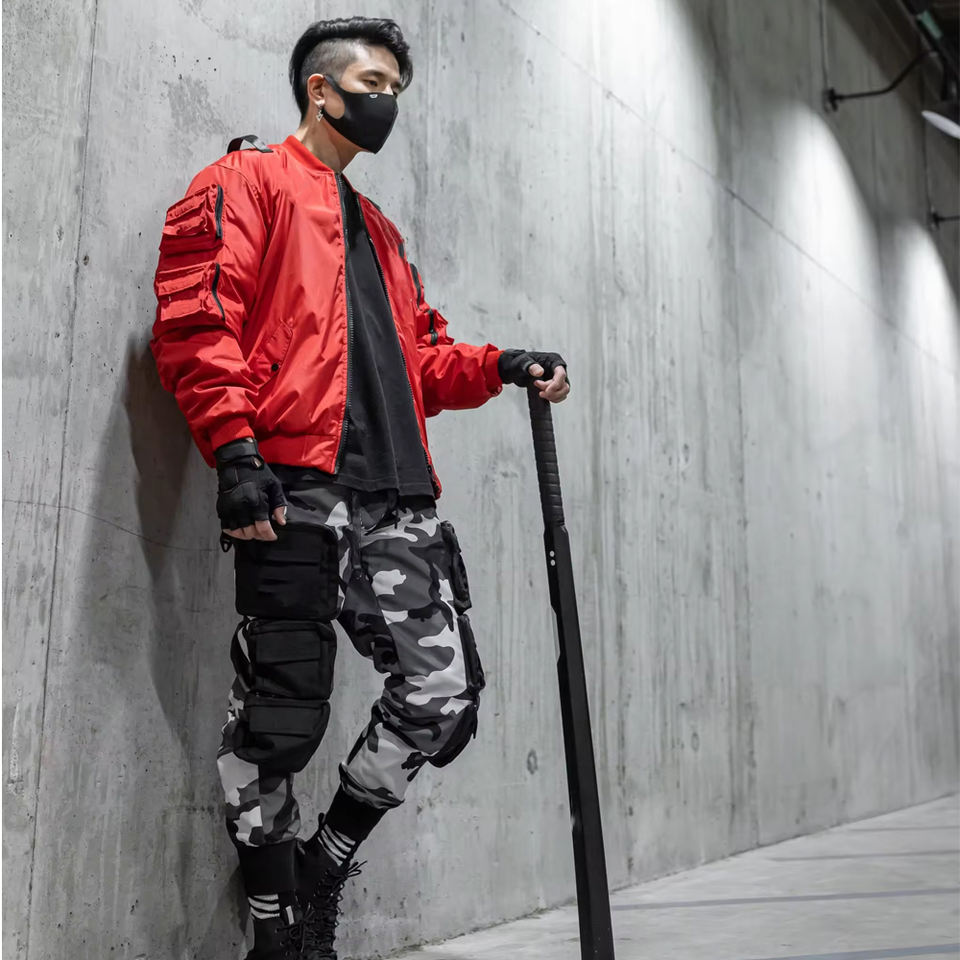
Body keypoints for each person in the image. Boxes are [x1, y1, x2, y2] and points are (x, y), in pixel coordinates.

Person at [150, 17, 570, 960]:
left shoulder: (379, 231)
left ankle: (323, 862)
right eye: (374, 83)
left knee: (442, 692)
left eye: (396, 91)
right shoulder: (247, 182)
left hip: (395, 499)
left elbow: (421, 361)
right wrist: (236, 452)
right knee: (277, 716)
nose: (387, 103)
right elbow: (197, 318)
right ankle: (275, 923)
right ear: (321, 89)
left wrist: (501, 363)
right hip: (293, 489)